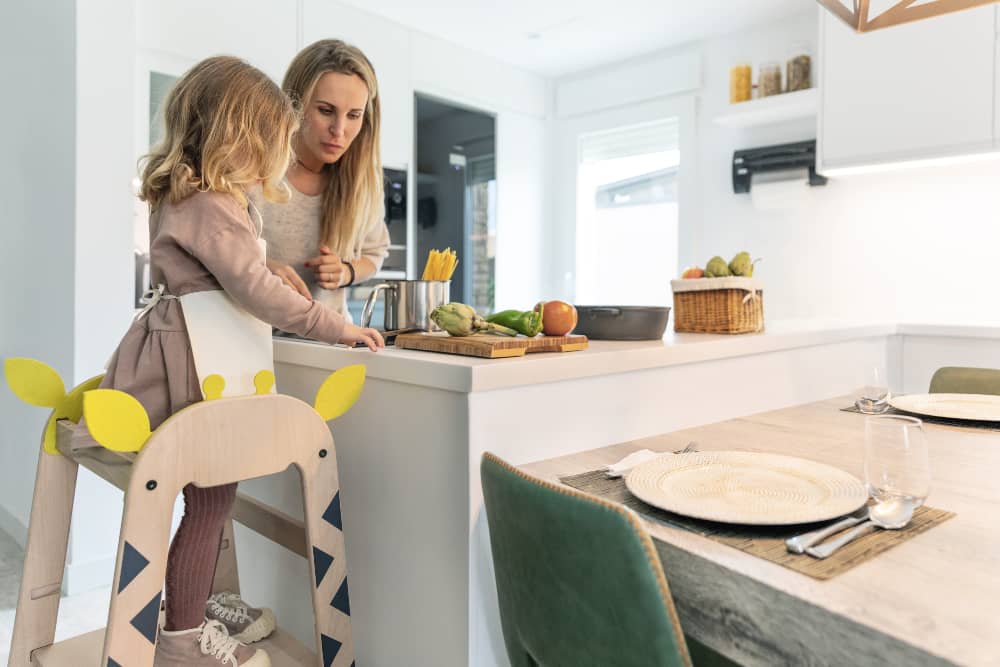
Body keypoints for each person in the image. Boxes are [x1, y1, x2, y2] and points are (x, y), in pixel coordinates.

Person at [99, 55, 384, 667]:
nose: (275, 160)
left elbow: (232, 276)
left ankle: (192, 613)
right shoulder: (212, 204)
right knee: (209, 502)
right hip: (194, 377)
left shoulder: (193, 197)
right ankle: (181, 639)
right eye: (270, 143)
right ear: (241, 138)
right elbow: (253, 291)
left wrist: (263, 267)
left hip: (183, 363)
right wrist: (339, 328)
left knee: (206, 502)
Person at [251, 39, 389, 318]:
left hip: (327, 342)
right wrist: (262, 264)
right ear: (293, 104)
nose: (339, 130)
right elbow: (214, 248)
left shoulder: (363, 186)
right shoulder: (254, 169)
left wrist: (345, 272)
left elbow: (375, 254)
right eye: (326, 111)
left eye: (353, 115)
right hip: (254, 340)